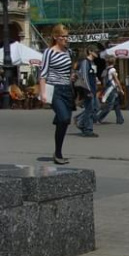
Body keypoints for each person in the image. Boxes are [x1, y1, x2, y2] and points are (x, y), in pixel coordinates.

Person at [40, 23, 75, 165]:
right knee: (64, 118)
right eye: (63, 36)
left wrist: (72, 76)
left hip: (67, 89)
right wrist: (43, 93)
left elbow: (68, 70)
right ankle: (58, 153)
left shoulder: (68, 52)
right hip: (55, 89)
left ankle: (57, 151)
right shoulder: (49, 52)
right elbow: (43, 73)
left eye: (67, 36)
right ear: (55, 37)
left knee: (64, 122)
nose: (66, 39)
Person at [75, 44, 99, 137]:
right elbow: (84, 76)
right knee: (90, 109)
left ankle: (80, 121)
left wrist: (96, 79)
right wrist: (88, 90)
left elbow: (92, 74)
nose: (97, 53)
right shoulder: (85, 62)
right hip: (88, 89)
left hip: (93, 89)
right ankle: (87, 129)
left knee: (95, 107)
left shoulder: (92, 63)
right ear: (90, 52)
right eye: (95, 51)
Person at [96, 57, 124, 125]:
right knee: (109, 106)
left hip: (108, 88)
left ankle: (120, 119)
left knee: (116, 104)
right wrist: (121, 89)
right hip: (112, 89)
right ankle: (98, 118)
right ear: (114, 62)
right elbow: (116, 80)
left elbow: (103, 80)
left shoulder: (105, 70)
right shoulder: (112, 70)